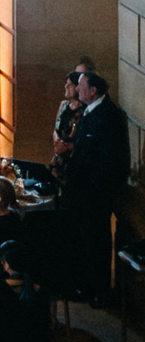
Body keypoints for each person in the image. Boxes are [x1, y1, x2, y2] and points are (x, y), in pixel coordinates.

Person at [60, 64, 131, 300]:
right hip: (81, 192)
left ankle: (98, 290)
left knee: (96, 241)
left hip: (95, 195)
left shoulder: (108, 116)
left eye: (81, 86)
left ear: (93, 90)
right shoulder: (90, 111)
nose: (77, 90)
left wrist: (93, 190)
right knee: (83, 240)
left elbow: (110, 160)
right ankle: (85, 284)